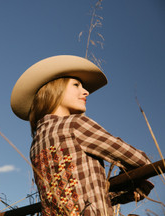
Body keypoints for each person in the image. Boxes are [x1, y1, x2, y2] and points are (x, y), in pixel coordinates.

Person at [10, 55, 154, 216]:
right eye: (76, 85)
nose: (85, 92)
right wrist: (133, 185)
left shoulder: (35, 144)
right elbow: (141, 161)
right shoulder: (75, 125)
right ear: (54, 89)